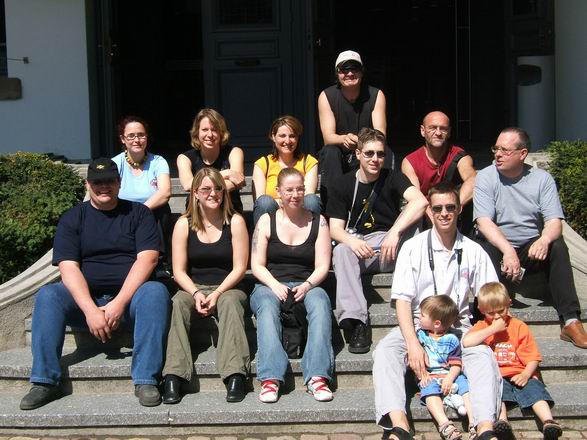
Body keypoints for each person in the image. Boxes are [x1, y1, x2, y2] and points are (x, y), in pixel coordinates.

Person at [20, 158, 171, 410]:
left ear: (119, 183)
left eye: (109, 181)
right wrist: (91, 310)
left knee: (155, 292)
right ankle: (44, 381)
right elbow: (68, 267)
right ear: (88, 184)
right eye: (97, 182)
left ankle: (146, 379)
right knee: (48, 295)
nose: (104, 187)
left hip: (130, 303)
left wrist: (119, 303)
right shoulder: (73, 217)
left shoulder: (139, 213)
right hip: (85, 303)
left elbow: (148, 259)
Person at [372, 182, 501, 440]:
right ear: (429, 212)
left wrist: (492, 328)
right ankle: (399, 425)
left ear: (459, 209)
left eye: (450, 207)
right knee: (385, 351)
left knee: (483, 358)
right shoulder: (413, 247)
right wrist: (413, 344)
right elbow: (403, 301)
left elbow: (492, 297)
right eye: (438, 208)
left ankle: (486, 428)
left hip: (459, 326)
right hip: (420, 325)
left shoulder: (474, 251)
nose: (444, 213)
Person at [474, 127, 587, 349]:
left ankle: (571, 321)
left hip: (530, 247)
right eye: (496, 149)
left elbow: (554, 222)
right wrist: (508, 251)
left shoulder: (542, 179)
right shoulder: (486, 176)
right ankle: (485, 322)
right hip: (498, 247)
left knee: (557, 246)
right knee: (484, 248)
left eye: (505, 150)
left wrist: (544, 240)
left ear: (522, 154)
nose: (498, 154)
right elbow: (484, 222)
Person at [326, 127, 428, 354]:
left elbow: (420, 202)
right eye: (369, 153)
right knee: (341, 251)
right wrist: (353, 243)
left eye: (380, 154)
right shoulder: (342, 184)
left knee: (416, 222)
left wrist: (394, 232)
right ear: (358, 154)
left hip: (393, 246)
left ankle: (423, 307)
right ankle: (357, 322)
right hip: (363, 246)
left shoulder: (393, 177)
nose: (375, 159)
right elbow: (335, 229)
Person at [161, 168, 250, 404]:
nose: (213, 193)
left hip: (228, 286)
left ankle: (235, 374)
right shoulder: (184, 224)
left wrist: (218, 293)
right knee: (178, 303)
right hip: (193, 286)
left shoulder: (235, 221)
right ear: (195, 193)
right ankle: (173, 375)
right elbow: (178, 271)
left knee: (230, 302)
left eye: (218, 188)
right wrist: (196, 292)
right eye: (206, 189)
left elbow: (240, 268)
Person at [250, 168, 334, 403]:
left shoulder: (319, 221)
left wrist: (307, 285)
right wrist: (274, 285)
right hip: (269, 283)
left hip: (307, 283)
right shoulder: (266, 220)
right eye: (289, 190)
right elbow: (256, 264)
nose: (295, 195)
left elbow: (323, 265)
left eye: (299, 189)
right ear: (278, 192)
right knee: (267, 306)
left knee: (320, 302)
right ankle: (270, 377)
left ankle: (317, 376)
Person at [463, 282, 563, 440]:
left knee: (535, 391)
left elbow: (532, 356)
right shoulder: (482, 326)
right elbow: (467, 342)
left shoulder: (518, 326)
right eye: (491, 313)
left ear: (509, 304)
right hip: (498, 376)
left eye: (501, 311)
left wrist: (526, 374)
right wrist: (492, 329)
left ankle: (548, 422)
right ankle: (502, 423)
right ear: (481, 310)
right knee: (498, 394)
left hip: (521, 372)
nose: (497, 317)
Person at [317, 50, 390, 207]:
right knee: (330, 151)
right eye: (344, 69)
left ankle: (381, 204)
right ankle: (333, 206)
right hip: (340, 155)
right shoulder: (326, 96)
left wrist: (362, 142)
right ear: (337, 73)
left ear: (362, 72)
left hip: (366, 150)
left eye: (354, 68)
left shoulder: (376, 95)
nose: (349, 73)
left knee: (383, 152)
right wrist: (343, 138)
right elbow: (328, 137)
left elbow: (380, 134)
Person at [112, 115, 172, 270]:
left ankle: (161, 264)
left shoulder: (158, 161)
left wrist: (140, 211)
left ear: (147, 137)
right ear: (123, 139)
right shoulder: (115, 163)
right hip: (122, 214)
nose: (137, 140)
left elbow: (165, 192)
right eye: (131, 136)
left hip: (150, 213)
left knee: (163, 210)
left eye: (141, 135)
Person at [401, 111, 476, 233]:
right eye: (432, 128)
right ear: (423, 131)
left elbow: (473, 180)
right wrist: (435, 218)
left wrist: (453, 207)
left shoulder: (460, 156)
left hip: (454, 216)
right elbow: (416, 198)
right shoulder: (410, 162)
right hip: (425, 214)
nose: (438, 133)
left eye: (443, 129)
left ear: (449, 132)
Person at [416, 295, 473, 440]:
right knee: (428, 390)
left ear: (436, 323)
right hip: (430, 375)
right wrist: (422, 375)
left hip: (449, 374)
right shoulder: (420, 337)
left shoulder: (452, 340)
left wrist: (449, 378)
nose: (418, 317)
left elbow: (456, 364)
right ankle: (445, 424)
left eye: (422, 315)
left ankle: (473, 422)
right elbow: (415, 360)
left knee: (465, 384)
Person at [252, 115, 321, 224]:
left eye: (292, 136)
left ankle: (311, 233)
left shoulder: (309, 162)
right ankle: (264, 234)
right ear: (273, 137)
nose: (287, 141)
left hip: (300, 215)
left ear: (297, 138)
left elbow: (306, 197)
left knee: (312, 200)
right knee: (265, 201)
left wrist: (282, 201)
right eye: (282, 136)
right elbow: (260, 200)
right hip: (274, 219)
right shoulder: (262, 164)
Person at [177, 108, 245, 212]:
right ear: (197, 132)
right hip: (198, 213)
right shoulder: (185, 158)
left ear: (221, 133)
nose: (210, 135)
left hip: (229, 210)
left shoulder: (234, 152)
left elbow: (237, 181)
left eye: (214, 130)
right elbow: (188, 185)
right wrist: (227, 173)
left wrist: (201, 186)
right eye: (205, 130)